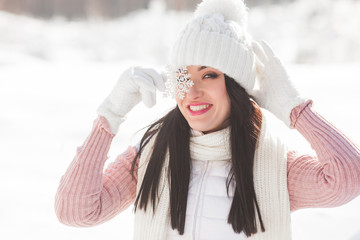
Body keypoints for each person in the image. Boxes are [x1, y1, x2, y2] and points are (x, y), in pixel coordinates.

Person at [54, 0, 360, 239]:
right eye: (183, 78)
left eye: (209, 74)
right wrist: (110, 115)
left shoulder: (276, 166)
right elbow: (75, 211)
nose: (193, 92)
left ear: (235, 86)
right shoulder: (150, 156)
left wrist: (295, 109)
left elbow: (347, 179)